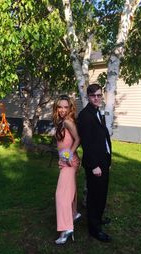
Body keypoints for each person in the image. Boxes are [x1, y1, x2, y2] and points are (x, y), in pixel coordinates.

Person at [77, 84, 112, 242]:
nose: (96, 98)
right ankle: (94, 229)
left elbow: (102, 137)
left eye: (99, 95)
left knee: (102, 193)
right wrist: (95, 165)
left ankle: (98, 218)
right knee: (94, 196)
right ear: (88, 97)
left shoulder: (97, 112)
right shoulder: (85, 115)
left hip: (103, 160)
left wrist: (107, 159)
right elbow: (87, 143)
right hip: (95, 163)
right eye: (93, 96)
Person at [53, 95, 81, 245]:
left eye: (66, 107)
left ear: (70, 108)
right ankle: (74, 213)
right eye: (60, 107)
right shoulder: (61, 121)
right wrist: (64, 156)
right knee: (70, 190)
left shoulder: (68, 122)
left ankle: (66, 229)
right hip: (65, 161)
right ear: (56, 108)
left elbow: (78, 139)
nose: (63, 110)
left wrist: (69, 154)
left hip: (69, 162)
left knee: (60, 195)